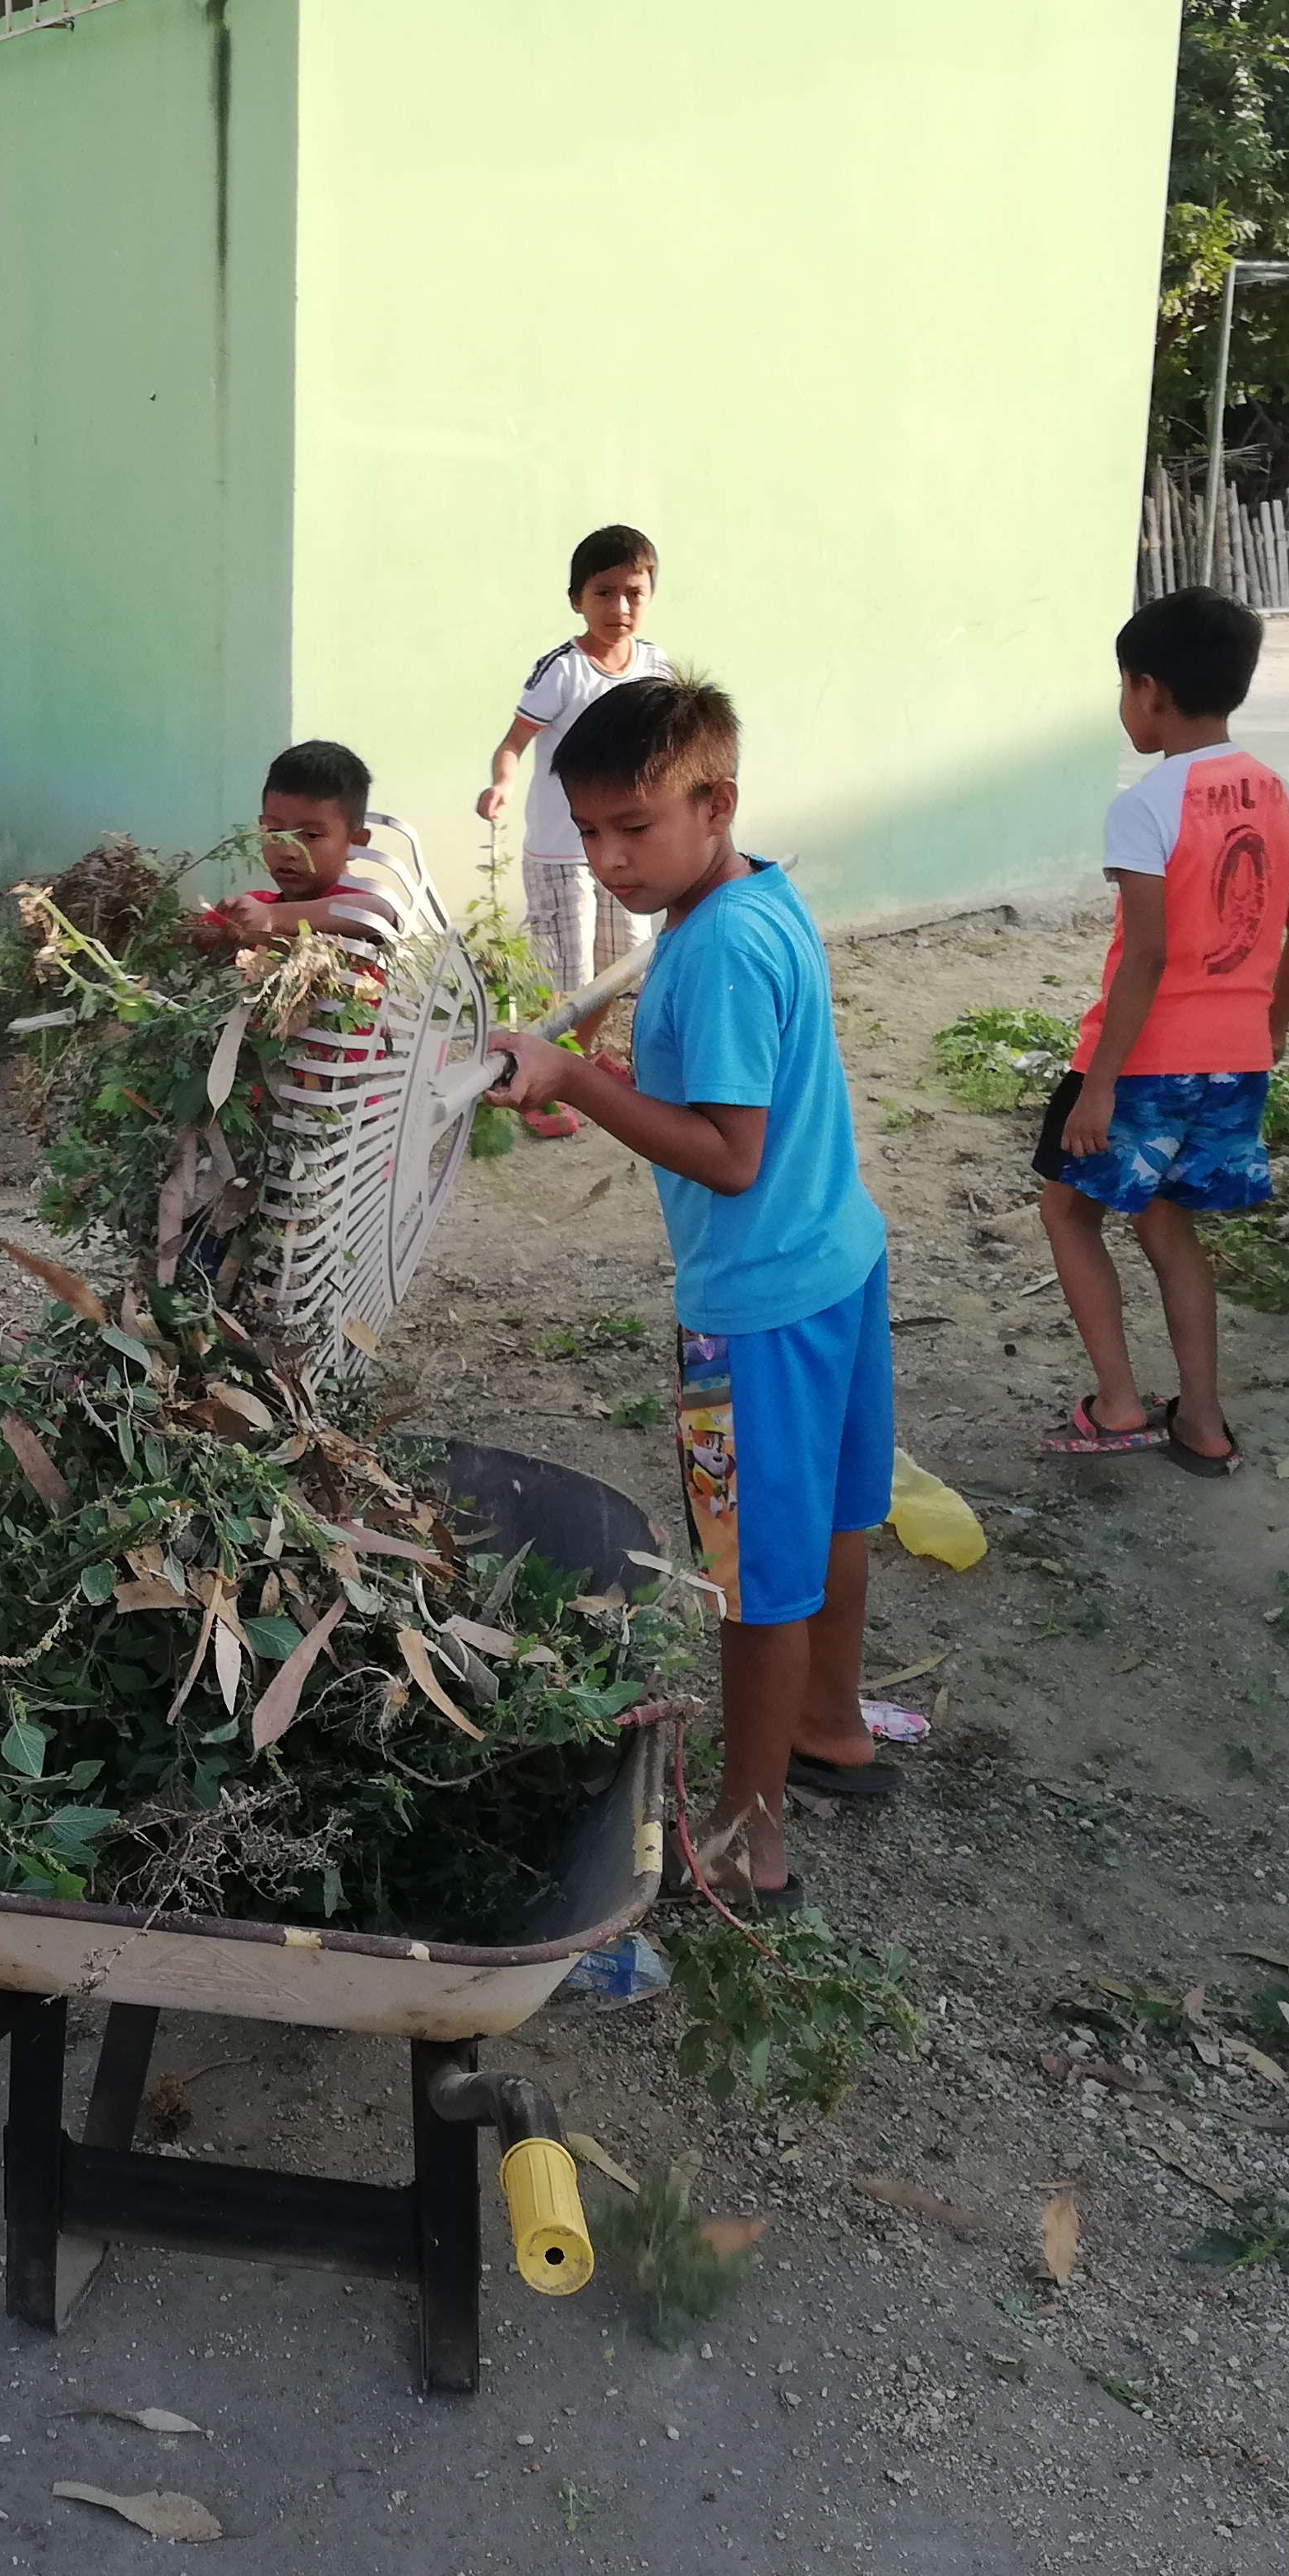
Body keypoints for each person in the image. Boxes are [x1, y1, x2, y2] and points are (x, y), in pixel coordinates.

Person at [480, 672, 895, 1909]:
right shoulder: (755, 893)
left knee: (752, 1583)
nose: (608, 859)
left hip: (754, 1314)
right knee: (834, 1527)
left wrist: (576, 1081)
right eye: (588, 831)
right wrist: (610, 1060)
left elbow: (727, 1154)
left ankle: (746, 1842)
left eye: (634, 827)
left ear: (717, 803)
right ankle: (832, 1728)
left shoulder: (711, 952)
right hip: (839, 1262)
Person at [1033, 588, 1289, 1478]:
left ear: (1150, 690)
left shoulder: (1146, 803)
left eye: (1124, 686)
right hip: (1235, 1061)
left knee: (1067, 1210)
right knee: (1170, 1227)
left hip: (1146, 1061)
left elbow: (1148, 953)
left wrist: (1099, 1083)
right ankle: (1203, 1423)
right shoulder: (1275, 791)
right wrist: (1269, 1026)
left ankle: (1119, 1405)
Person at [476, 525, 671, 1133]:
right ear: (576, 599)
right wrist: (502, 784)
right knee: (567, 977)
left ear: (650, 597)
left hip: (627, 851)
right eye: (604, 593)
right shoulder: (561, 671)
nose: (620, 607)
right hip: (562, 851)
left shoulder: (656, 666)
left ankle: (573, 1062)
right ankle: (538, 1086)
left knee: (619, 967)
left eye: (634, 593)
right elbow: (512, 744)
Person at [191, 739, 387, 951]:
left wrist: (274, 918)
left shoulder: (358, 901)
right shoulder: (256, 906)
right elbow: (192, 934)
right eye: (275, 831)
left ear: (356, 843)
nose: (288, 851)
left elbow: (378, 911)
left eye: (311, 835)